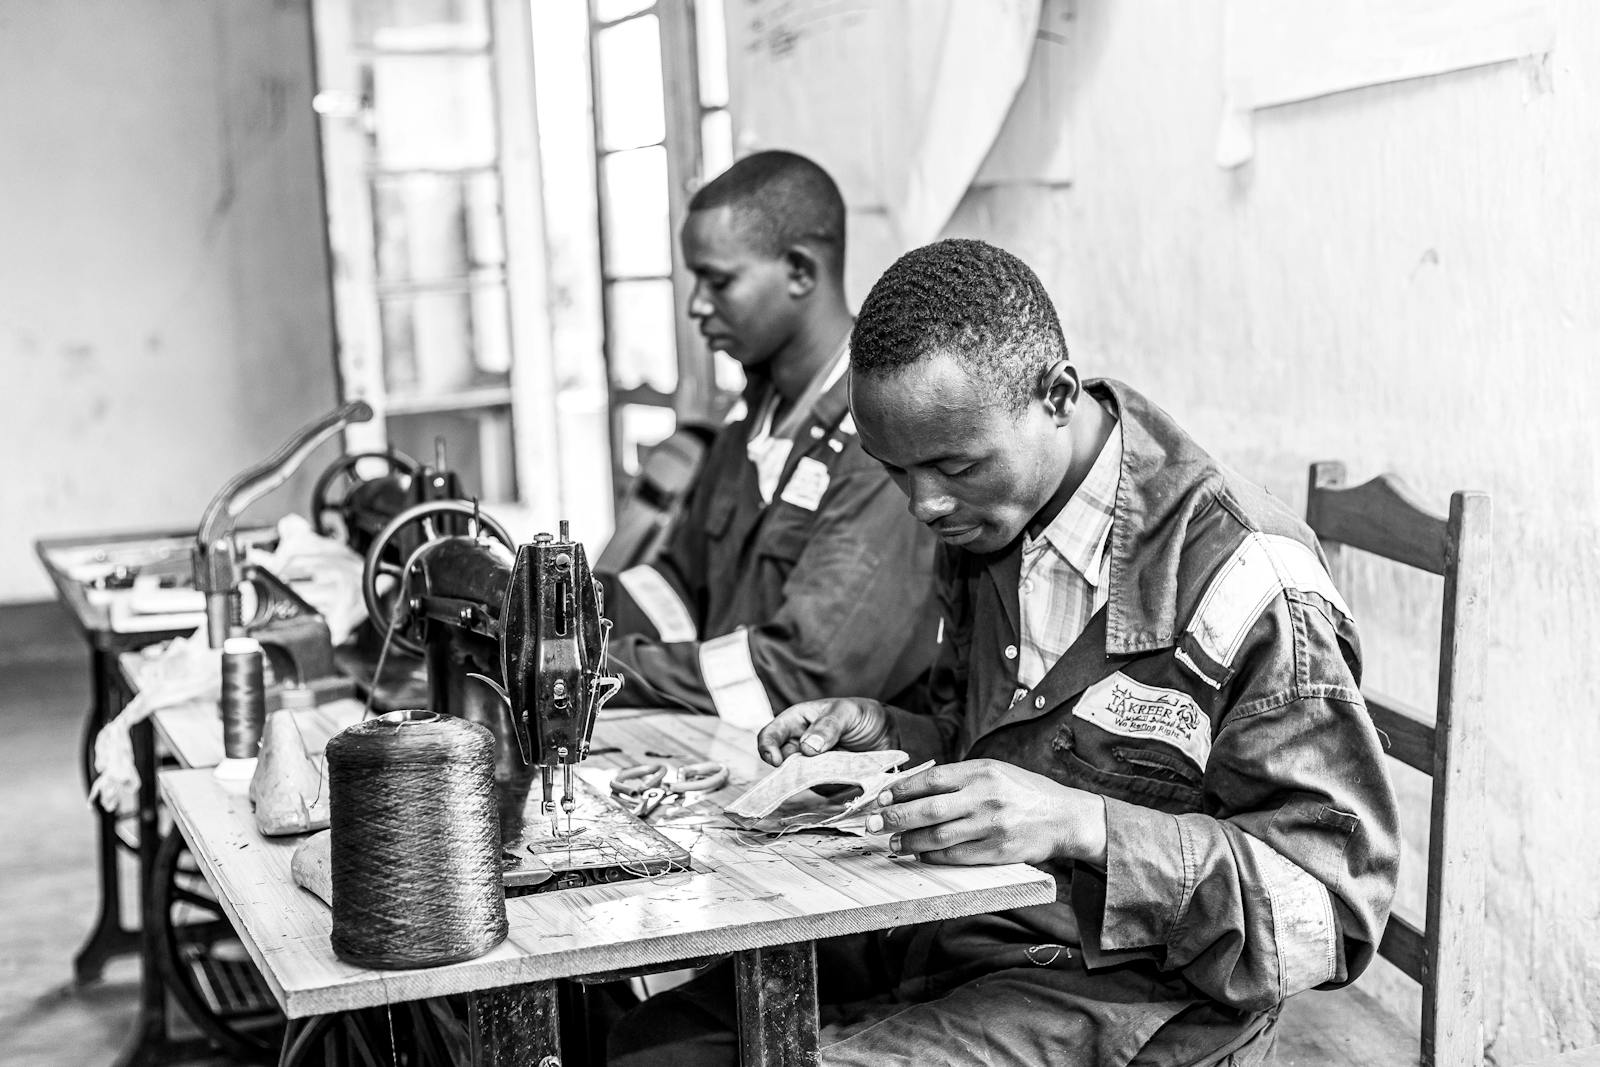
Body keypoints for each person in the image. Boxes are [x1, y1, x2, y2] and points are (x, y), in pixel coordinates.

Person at [608, 239, 1400, 1066]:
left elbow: (1330, 915)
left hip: (1138, 996)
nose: (925, 502)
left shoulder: (1246, 582)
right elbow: (993, 743)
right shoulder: (995, 520)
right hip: (974, 933)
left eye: (954, 464)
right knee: (659, 1041)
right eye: (895, 469)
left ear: (1055, 396)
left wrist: (1081, 824)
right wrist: (889, 734)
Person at [601, 151, 940, 726]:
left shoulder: (880, 445)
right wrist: (555, 613)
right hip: (722, 759)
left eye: (719, 280)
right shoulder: (749, 426)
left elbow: (804, 677)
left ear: (801, 271)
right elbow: (678, 593)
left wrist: (591, 671)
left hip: (832, 791)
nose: (697, 305)